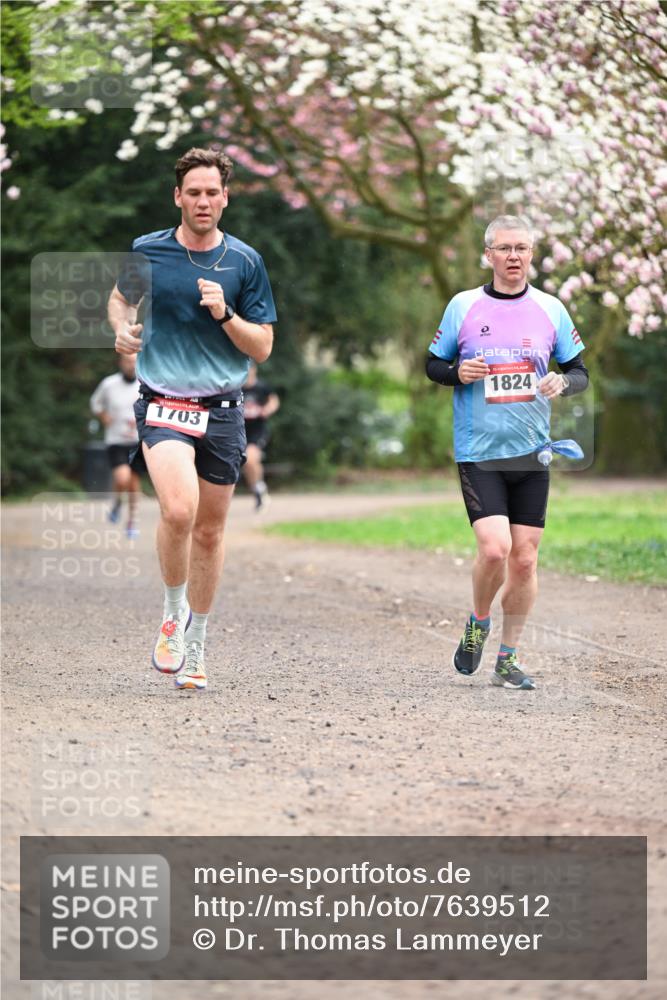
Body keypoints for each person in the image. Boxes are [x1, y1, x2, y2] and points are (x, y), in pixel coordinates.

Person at [108, 147, 277, 692]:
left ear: (225, 198)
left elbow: (264, 346)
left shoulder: (245, 263)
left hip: (224, 410)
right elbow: (118, 299)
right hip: (163, 404)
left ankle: (198, 641)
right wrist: (123, 328)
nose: (203, 201)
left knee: (209, 531)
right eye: (194, 192)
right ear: (177, 196)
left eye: (212, 192)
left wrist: (226, 314)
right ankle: (172, 615)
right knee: (179, 512)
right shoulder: (148, 251)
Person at [426, 214, 589, 691]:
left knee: (524, 561)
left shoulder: (551, 309)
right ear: (489, 254)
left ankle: (508, 658)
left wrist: (563, 381)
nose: (513, 256)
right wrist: (459, 373)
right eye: (504, 248)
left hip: (532, 453)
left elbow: (580, 371)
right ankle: (478, 622)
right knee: (495, 550)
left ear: (532, 254)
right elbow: (432, 364)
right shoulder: (463, 306)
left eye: (521, 248)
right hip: (479, 451)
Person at [89, 353, 141, 539]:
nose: (131, 365)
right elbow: (95, 403)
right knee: (122, 478)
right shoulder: (109, 384)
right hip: (116, 441)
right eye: (128, 361)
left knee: (134, 485)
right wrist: (104, 417)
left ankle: (132, 522)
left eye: (134, 362)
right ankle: (118, 502)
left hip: (138, 441)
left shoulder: (145, 385)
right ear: (121, 363)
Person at [242, 362, 280, 509]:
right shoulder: (237, 388)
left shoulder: (261, 387)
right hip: (240, 431)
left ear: (254, 370)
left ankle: (259, 488)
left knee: (251, 458)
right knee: (247, 462)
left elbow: (274, 400)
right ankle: (258, 488)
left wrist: (267, 410)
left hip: (257, 431)